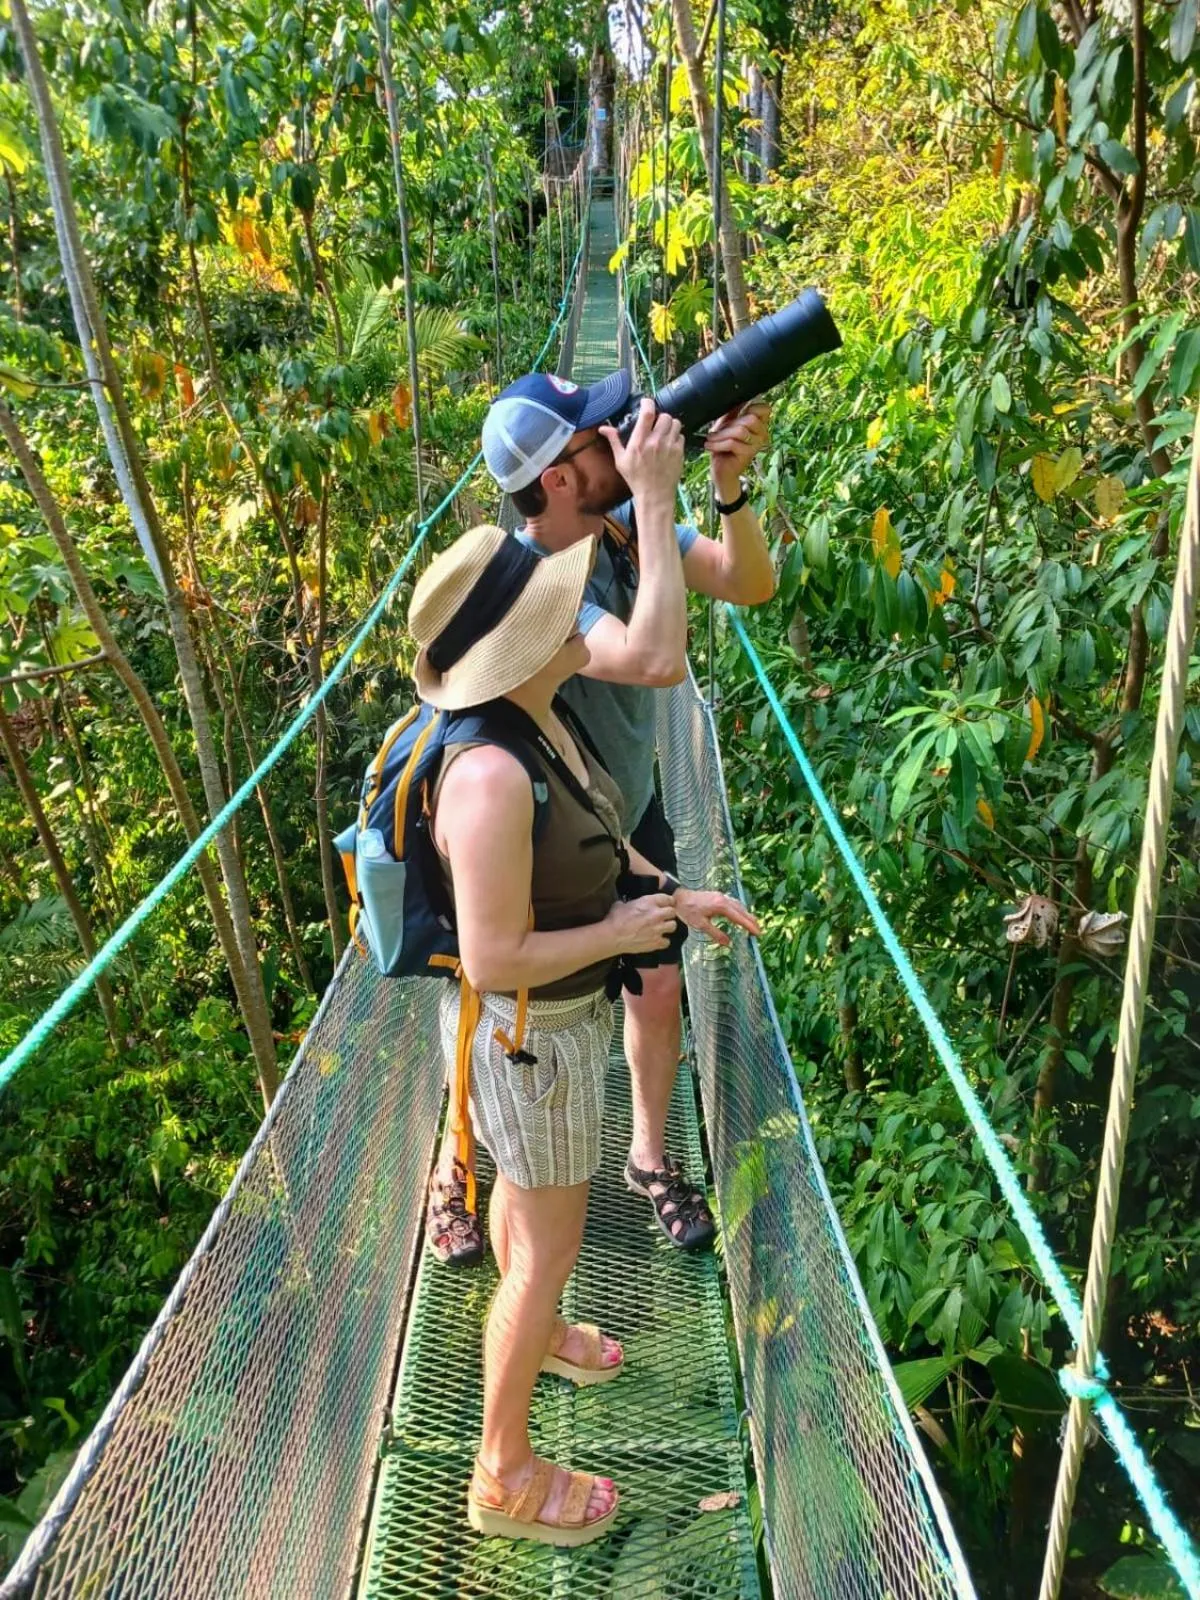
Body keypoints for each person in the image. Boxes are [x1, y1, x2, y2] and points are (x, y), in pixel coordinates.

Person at [409, 521, 759, 1545]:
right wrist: (619, 933)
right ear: (515, 645)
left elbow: (599, 835)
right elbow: (491, 958)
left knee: (530, 1214)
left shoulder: (542, 721)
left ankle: (544, 1327)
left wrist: (674, 896)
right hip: (532, 1040)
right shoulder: (488, 776)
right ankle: (502, 1471)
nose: (582, 610)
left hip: (546, 1032)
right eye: (556, 606)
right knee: (548, 1246)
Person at [425, 368, 774, 1265]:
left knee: (658, 986)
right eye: (600, 435)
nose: (624, 436)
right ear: (559, 478)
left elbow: (747, 582)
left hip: (623, 807)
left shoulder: (619, 530)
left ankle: (647, 1157)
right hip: (534, 828)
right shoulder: (535, 587)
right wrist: (657, 498)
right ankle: (461, 1167)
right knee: (500, 1006)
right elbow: (656, 660)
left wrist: (727, 488)